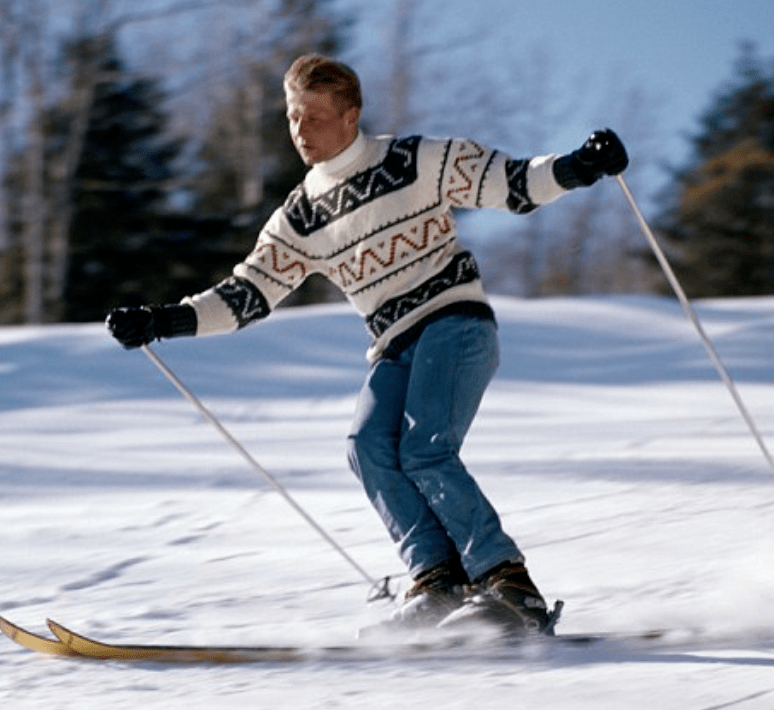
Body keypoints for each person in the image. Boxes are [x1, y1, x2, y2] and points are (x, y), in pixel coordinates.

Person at [107, 54, 628, 636]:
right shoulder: (301, 215)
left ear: (350, 116)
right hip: (394, 341)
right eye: (291, 118)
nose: (299, 132)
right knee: (368, 447)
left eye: (312, 117)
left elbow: (513, 185)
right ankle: (437, 581)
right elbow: (247, 295)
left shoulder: (416, 160)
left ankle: (509, 585)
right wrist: (163, 321)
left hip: (455, 322)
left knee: (425, 448)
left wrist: (581, 165)